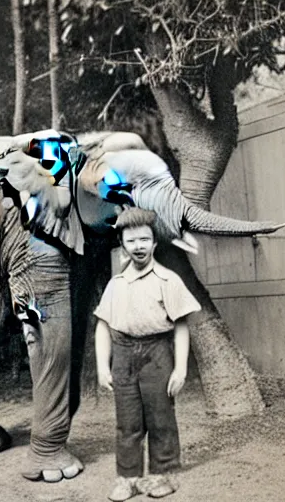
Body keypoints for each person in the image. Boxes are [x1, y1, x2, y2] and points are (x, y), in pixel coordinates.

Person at [94, 208, 201, 501]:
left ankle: (161, 474)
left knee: (160, 417)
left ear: (154, 243)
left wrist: (179, 369)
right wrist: (103, 366)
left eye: (144, 239)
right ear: (123, 245)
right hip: (123, 354)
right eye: (131, 241)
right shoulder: (116, 284)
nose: (138, 246)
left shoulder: (168, 280)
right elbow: (102, 326)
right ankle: (127, 478)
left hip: (157, 353)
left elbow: (181, 327)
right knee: (127, 421)